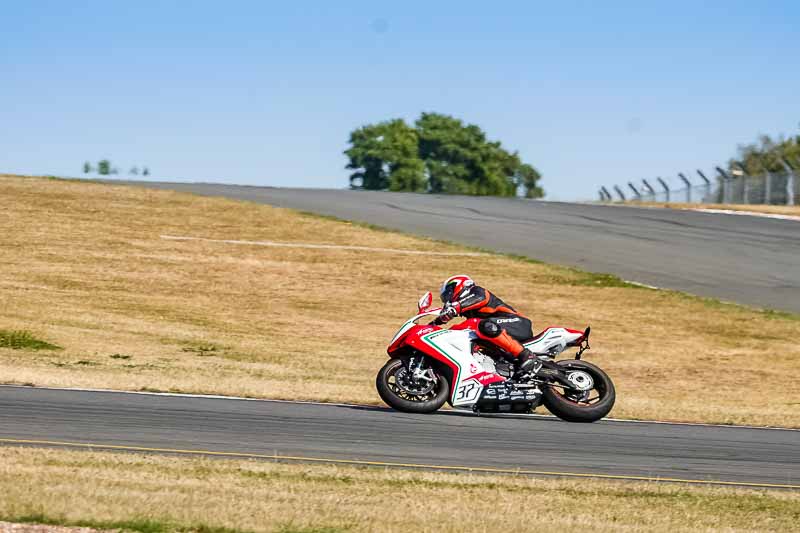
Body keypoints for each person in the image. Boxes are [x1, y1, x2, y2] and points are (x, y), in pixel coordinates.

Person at [435, 274, 544, 378]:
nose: (448, 299)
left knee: (483, 325)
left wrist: (456, 307)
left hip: (518, 323)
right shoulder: (468, 311)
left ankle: (526, 355)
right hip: (502, 331)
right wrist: (434, 325)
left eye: (448, 293)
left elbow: (479, 298)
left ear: (459, 286)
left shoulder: (477, 292)